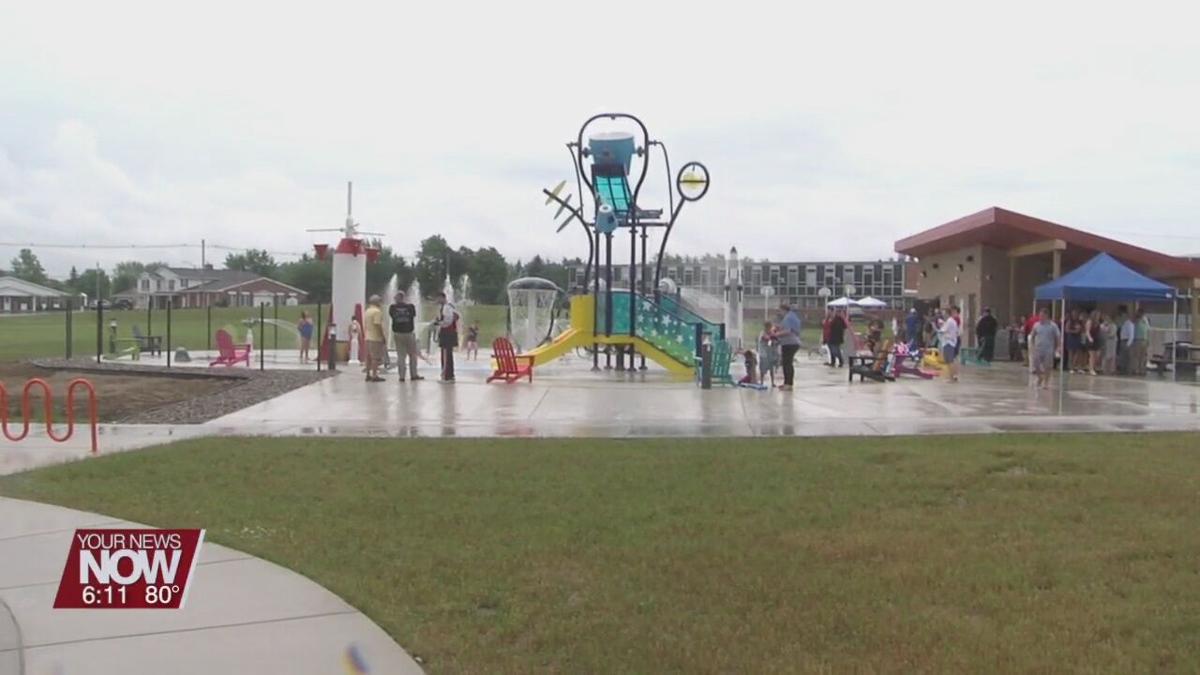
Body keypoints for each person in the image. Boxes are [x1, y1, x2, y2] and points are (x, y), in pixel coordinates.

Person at [388, 291, 423, 382]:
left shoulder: (392, 308)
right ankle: (413, 374)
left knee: (401, 355)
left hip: (397, 333)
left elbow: (392, 316)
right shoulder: (410, 307)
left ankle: (402, 376)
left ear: (397, 298)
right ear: (403, 298)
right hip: (409, 333)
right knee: (412, 355)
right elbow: (413, 316)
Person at [1029, 307, 1061, 390]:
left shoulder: (1053, 325)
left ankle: (1046, 382)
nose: (1040, 317)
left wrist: (1058, 347)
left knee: (1048, 366)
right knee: (1036, 365)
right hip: (1038, 348)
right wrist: (1032, 345)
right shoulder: (1036, 325)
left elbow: (1057, 337)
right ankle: (1040, 377)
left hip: (1048, 349)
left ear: (1047, 316)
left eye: (1042, 316)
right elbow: (1033, 335)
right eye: (1040, 316)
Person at [433, 292, 459, 383]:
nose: (436, 301)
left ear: (442, 298)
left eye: (437, 298)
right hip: (450, 332)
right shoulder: (450, 306)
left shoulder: (446, 307)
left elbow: (448, 320)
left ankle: (446, 376)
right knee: (448, 354)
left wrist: (438, 323)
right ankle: (449, 375)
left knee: (446, 354)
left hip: (447, 333)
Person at [775, 303, 802, 390]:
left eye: (780, 311)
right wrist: (778, 328)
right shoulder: (792, 317)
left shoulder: (788, 318)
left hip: (789, 343)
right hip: (792, 343)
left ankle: (788, 384)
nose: (779, 313)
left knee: (787, 364)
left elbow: (788, 331)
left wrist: (776, 334)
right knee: (787, 363)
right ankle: (787, 383)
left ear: (784, 310)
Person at [362, 295, 386, 382]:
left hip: (367, 337)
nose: (381, 303)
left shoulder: (367, 311)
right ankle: (375, 375)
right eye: (380, 301)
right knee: (375, 357)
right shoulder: (377, 312)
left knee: (368, 357)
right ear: (377, 302)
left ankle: (368, 374)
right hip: (375, 337)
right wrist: (383, 336)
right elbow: (377, 324)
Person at [941, 306, 961, 382]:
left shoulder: (949, 321)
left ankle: (951, 378)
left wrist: (939, 327)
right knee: (950, 361)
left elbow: (943, 330)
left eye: (944, 313)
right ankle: (954, 376)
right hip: (950, 342)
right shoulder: (951, 321)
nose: (943, 315)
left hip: (948, 342)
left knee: (949, 361)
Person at [757, 321, 779, 387]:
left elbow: (773, 341)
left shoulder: (770, 332)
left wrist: (775, 338)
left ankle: (772, 382)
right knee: (763, 368)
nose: (769, 328)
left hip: (769, 352)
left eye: (770, 327)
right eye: (768, 327)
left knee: (771, 367)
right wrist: (773, 336)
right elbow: (767, 338)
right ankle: (761, 382)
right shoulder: (763, 333)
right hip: (763, 353)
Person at [1132, 308, 1150, 376]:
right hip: (1137, 339)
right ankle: (1136, 369)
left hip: (1144, 339)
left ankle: (1142, 369)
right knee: (1137, 356)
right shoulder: (1135, 320)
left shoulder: (1145, 320)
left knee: (1143, 356)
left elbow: (1148, 330)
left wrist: (1148, 340)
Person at [1118, 309, 1135, 375]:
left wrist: (1128, 344)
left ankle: (1128, 371)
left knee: (1128, 357)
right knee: (1123, 357)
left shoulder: (1130, 324)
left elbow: (1131, 335)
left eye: (1123, 316)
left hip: (1127, 341)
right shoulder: (1123, 324)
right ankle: (1123, 370)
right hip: (1123, 341)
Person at [1084, 310, 1101, 375]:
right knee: (1092, 355)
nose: (1098, 317)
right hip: (1090, 339)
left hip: (1097, 339)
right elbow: (1087, 331)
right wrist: (1090, 338)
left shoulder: (1098, 322)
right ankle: (1091, 369)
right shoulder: (1089, 322)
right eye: (1097, 315)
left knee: (1097, 355)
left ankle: (1093, 367)